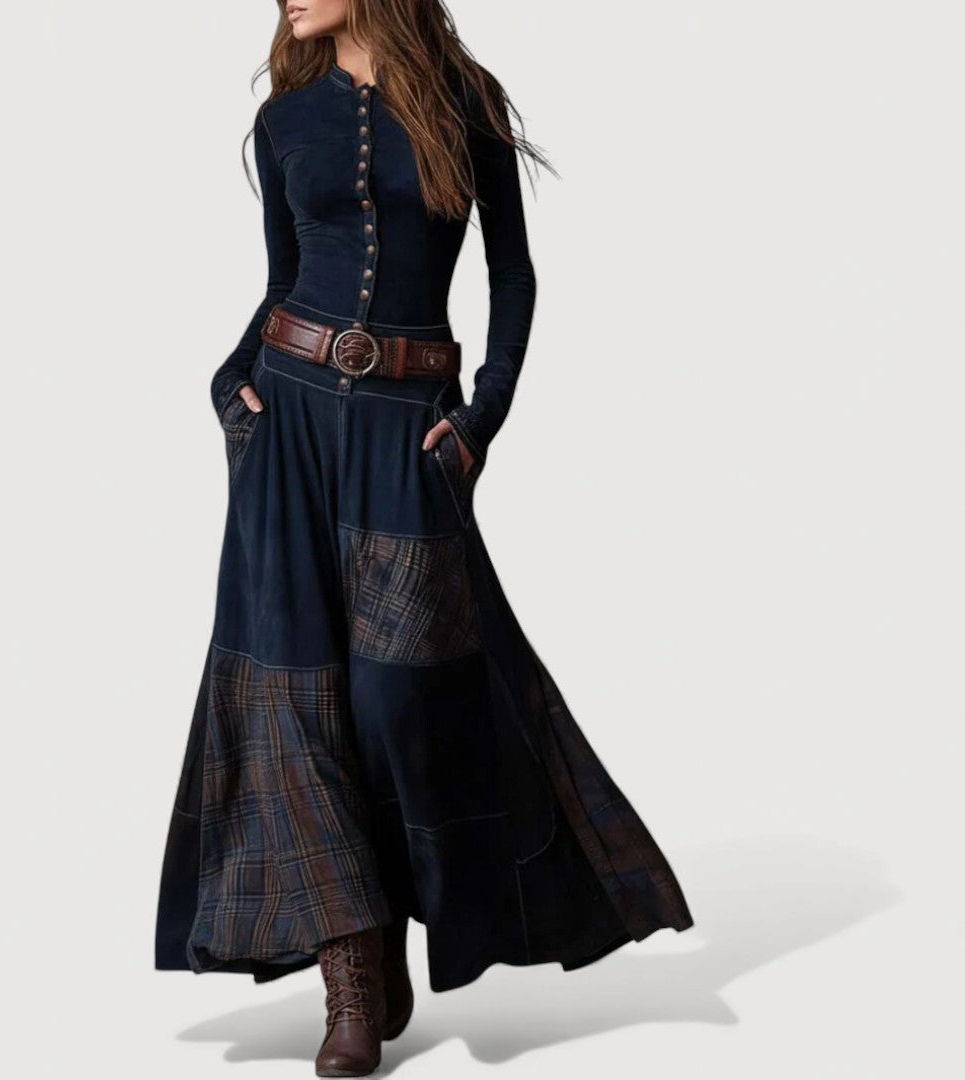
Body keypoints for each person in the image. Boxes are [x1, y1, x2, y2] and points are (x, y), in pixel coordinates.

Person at [155, 2, 695, 1075]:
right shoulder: (285, 118)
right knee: (295, 699)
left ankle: (398, 905)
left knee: (396, 698)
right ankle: (352, 972)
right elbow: (280, 283)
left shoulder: (464, 102)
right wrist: (229, 388)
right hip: (285, 420)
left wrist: (481, 419)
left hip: (410, 431)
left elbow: (514, 274)